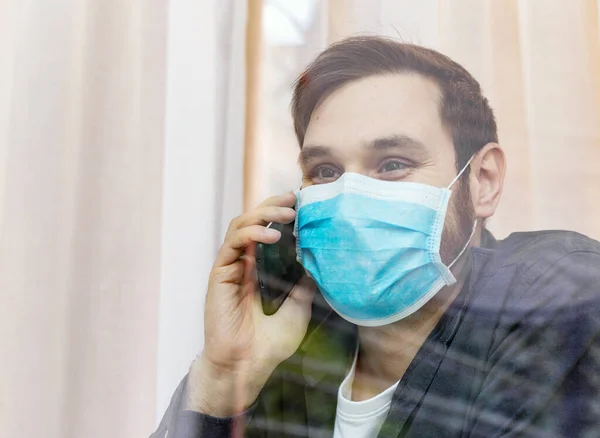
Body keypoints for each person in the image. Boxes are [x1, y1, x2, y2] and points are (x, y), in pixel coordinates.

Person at [152, 36, 600, 438]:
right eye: (325, 171)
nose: (349, 197)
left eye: (391, 163)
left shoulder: (557, 291)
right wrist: (224, 377)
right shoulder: (291, 342)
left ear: (481, 180)